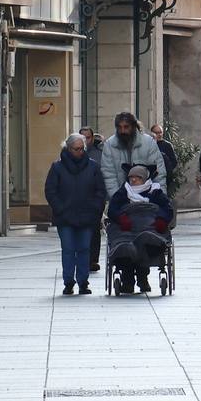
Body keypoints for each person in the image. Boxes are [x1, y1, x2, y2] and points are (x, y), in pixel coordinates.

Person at [45, 133, 108, 296]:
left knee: (84, 248)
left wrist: (95, 209)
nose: (80, 152)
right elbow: (50, 191)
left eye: (82, 148)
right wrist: (60, 208)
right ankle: (68, 282)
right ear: (68, 148)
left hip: (87, 216)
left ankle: (82, 281)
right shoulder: (57, 167)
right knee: (68, 248)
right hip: (65, 217)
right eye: (76, 149)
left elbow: (100, 191)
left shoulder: (93, 167)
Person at [107, 165, 175, 293]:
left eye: (137, 177)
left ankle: (142, 278)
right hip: (127, 228)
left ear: (144, 178)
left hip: (149, 226)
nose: (133, 180)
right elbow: (112, 210)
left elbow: (167, 209)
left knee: (146, 240)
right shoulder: (123, 192)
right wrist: (121, 218)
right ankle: (128, 281)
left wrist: (161, 219)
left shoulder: (155, 192)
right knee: (126, 245)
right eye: (131, 177)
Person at [100, 111, 168, 198]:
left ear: (133, 126)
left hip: (147, 197)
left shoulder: (148, 143)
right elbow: (109, 176)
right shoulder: (110, 145)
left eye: (126, 127)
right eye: (119, 127)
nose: (122, 131)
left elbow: (159, 173)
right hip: (121, 198)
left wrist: (160, 198)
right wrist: (116, 199)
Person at [79, 126, 106, 272]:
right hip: (76, 200)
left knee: (94, 230)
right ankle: (81, 257)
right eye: (82, 137)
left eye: (87, 138)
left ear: (92, 138)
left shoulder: (100, 153)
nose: (85, 141)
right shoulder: (70, 153)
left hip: (95, 198)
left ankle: (93, 260)